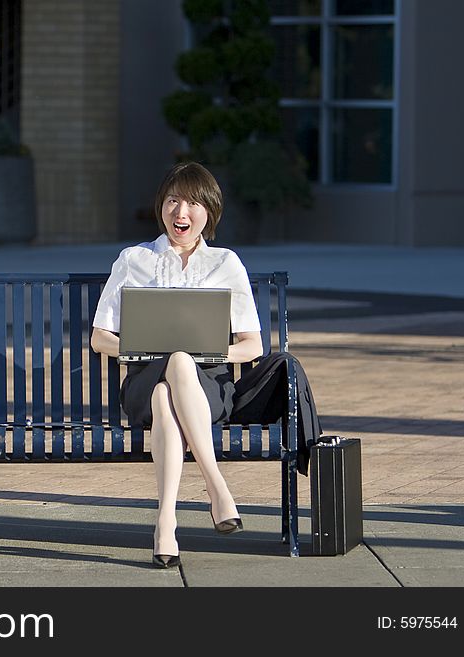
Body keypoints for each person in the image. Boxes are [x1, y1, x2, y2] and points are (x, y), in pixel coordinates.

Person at [90, 161, 321, 568]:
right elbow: (99, 338)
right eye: (173, 200)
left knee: (171, 390)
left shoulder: (225, 263)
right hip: (143, 379)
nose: (181, 212)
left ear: (209, 212)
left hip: (208, 388)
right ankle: (217, 489)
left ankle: (165, 523)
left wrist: (208, 353)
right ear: (160, 206)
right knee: (168, 371)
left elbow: (251, 345)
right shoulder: (133, 259)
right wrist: (142, 349)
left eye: (193, 203)